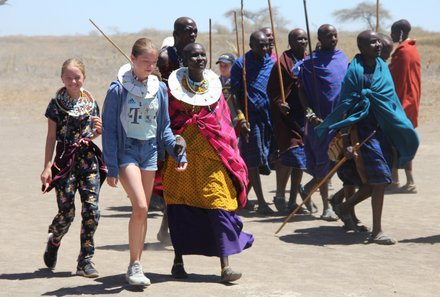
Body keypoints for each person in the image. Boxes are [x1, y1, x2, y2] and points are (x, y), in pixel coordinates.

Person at [316, 30, 419, 244]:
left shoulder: (382, 68)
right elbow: (345, 108)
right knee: (379, 180)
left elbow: (391, 102)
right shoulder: (354, 73)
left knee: (376, 180)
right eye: (373, 42)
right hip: (360, 132)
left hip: (382, 131)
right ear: (362, 47)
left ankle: (344, 205)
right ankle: (376, 231)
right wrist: (345, 141)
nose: (378, 45)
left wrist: (399, 126)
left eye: (379, 42)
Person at [162, 43, 254, 283]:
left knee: (218, 203)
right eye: (194, 55)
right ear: (184, 58)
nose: (200, 58)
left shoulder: (214, 88)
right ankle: (178, 260)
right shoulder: (172, 90)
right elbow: (168, 122)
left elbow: (222, 122)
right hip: (182, 158)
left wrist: (229, 148)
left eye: (203, 54)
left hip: (213, 155)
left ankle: (225, 266)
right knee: (180, 207)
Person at [102, 38, 187, 286]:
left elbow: (165, 129)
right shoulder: (118, 89)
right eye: (145, 62)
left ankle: (135, 265)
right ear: (132, 59)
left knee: (142, 211)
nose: (150, 67)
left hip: (150, 151)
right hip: (126, 151)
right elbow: (108, 129)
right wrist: (111, 165)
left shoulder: (159, 89)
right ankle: (134, 264)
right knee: (140, 205)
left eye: (153, 62)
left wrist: (177, 153)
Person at [41, 58, 107, 278]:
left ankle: (85, 260)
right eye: (68, 77)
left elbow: (94, 133)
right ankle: (55, 240)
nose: (73, 81)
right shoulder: (55, 104)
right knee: (66, 212)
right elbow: (51, 137)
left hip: (88, 162)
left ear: (84, 78)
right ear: (62, 78)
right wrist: (47, 166)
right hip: (64, 162)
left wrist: (99, 131)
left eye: (77, 77)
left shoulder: (91, 102)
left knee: (92, 211)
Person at [297, 24, 348, 221]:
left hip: (341, 120)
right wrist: (309, 113)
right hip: (319, 121)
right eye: (329, 36)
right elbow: (301, 91)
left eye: (335, 35)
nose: (333, 39)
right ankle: (327, 207)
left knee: (340, 161)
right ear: (320, 38)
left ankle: (308, 188)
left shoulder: (342, 58)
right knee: (323, 164)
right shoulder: (310, 63)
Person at [230, 30, 275, 214]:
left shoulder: (271, 62)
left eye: (266, 45)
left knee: (263, 158)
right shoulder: (241, 64)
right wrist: (240, 117)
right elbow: (234, 94)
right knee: (253, 159)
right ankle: (262, 203)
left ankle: (239, 199)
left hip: (268, 117)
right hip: (250, 118)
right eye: (260, 45)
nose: (264, 48)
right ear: (251, 45)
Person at [266, 28, 309, 213]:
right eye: (298, 39)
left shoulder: (309, 60)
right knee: (289, 154)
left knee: (301, 158)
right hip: (286, 116)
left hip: (305, 115)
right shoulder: (282, 63)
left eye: (305, 39)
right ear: (290, 42)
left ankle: (293, 201)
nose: (303, 42)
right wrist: (279, 103)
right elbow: (272, 90)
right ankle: (280, 196)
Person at [389, 19, 422, 193]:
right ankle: (403, 180)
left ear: (400, 33)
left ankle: (401, 180)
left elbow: (396, 81)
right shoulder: (412, 50)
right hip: (410, 102)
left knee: (395, 141)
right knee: (402, 140)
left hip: (403, 104)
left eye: (393, 32)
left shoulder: (403, 53)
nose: (391, 35)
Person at [158, 17, 198, 83]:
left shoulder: (195, 56)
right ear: (176, 34)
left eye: (195, 31)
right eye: (188, 31)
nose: (193, 35)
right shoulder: (165, 57)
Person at [216, 53, 237, 126]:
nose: (222, 68)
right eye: (221, 66)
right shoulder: (215, 82)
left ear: (233, 66)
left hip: (235, 118)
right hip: (220, 119)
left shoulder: (237, 82)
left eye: (226, 66)